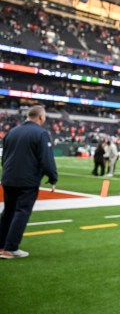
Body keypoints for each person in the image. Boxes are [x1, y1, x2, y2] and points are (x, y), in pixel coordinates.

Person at [0, 105, 57, 259]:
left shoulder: (12, 131)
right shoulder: (41, 133)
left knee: (8, 212)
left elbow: (4, 157)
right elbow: (46, 159)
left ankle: (1, 245)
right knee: (22, 211)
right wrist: (53, 177)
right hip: (27, 180)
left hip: (8, 177)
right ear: (40, 117)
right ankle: (10, 248)